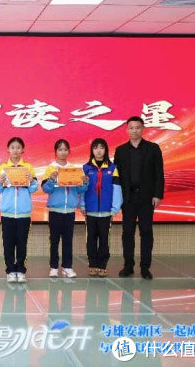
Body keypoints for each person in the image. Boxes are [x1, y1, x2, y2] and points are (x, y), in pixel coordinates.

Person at [114, 116, 164, 280]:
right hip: (127, 198)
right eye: (131, 128)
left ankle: (145, 267)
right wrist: (117, 198)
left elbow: (159, 173)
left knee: (146, 232)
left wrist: (158, 194)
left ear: (143, 129)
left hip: (146, 198)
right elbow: (116, 177)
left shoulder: (153, 148)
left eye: (137, 127)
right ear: (127, 130)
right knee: (127, 232)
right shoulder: (120, 150)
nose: (134, 130)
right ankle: (128, 266)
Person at [0, 137, 39, 283]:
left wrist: (32, 180)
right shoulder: (2, 168)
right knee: (8, 243)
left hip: (23, 212)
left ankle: (20, 270)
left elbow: (33, 189)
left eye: (18, 147)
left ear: (23, 150)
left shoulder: (28, 167)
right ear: (8, 149)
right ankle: (10, 271)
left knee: (22, 242)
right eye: (12, 147)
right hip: (7, 212)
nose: (15, 150)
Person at [42, 139, 88, 278]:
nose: (63, 152)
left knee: (68, 240)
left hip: (70, 211)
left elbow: (80, 189)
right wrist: (51, 180)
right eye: (60, 149)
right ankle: (54, 267)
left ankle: (67, 267)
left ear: (69, 151)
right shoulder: (50, 169)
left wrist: (85, 182)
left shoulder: (74, 169)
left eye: (65, 149)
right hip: (55, 211)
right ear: (55, 152)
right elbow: (46, 189)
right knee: (54, 240)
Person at [80, 138, 122, 278]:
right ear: (92, 150)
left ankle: (102, 265)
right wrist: (82, 205)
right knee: (91, 239)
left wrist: (114, 209)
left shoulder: (113, 168)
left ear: (106, 150)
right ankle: (92, 264)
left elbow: (117, 189)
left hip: (106, 212)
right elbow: (81, 189)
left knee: (104, 240)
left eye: (101, 147)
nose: (98, 151)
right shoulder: (85, 168)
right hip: (90, 211)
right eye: (95, 148)